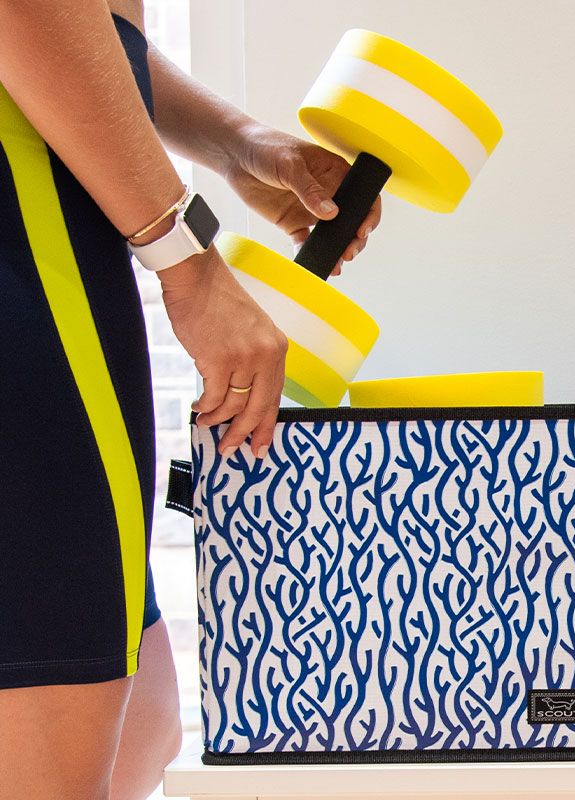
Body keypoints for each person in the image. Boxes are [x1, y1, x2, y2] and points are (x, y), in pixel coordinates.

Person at [0, 1, 381, 797]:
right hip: (32, 287)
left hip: (62, 281)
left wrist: (237, 144)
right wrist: (188, 261)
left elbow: (95, 29)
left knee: (144, 732)